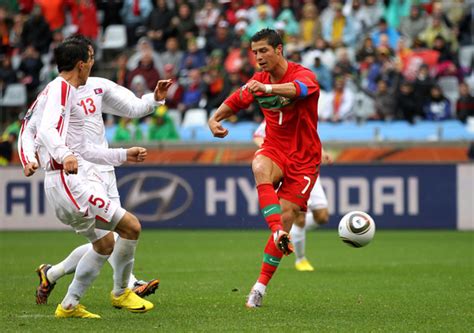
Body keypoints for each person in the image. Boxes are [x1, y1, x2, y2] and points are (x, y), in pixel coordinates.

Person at [20, 35, 173, 309]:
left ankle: (54, 275)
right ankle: (125, 287)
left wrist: (154, 100)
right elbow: (32, 129)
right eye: (89, 57)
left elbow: (133, 106)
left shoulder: (97, 87)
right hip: (74, 172)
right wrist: (31, 156)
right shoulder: (56, 92)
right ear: (80, 62)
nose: (93, 62)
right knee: (121, 231)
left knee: (106, 240)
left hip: (100, 166)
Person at [208, 29, 321, 308]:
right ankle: (277, 232)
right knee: (259, 164)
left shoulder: (301, 74)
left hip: (305, 159)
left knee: (286, 215)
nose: (258, 57)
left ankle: (259, 287)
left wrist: (268, 89)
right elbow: (237, 99)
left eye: (263, 51)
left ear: (279, 50)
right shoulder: (257, 80)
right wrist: (215, 118)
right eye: (254, 52)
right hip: (275, 148)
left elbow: (301, 90)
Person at [253, 120, 332, 272]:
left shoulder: (305, 110)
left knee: (322, 216)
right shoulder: (279, 112)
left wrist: (321, 152)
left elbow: (310, 137)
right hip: (290, 170)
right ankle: (300, 259)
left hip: (309, 168)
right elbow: (257, 136)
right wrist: (276, 150)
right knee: (299, 216)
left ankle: (291, 230)